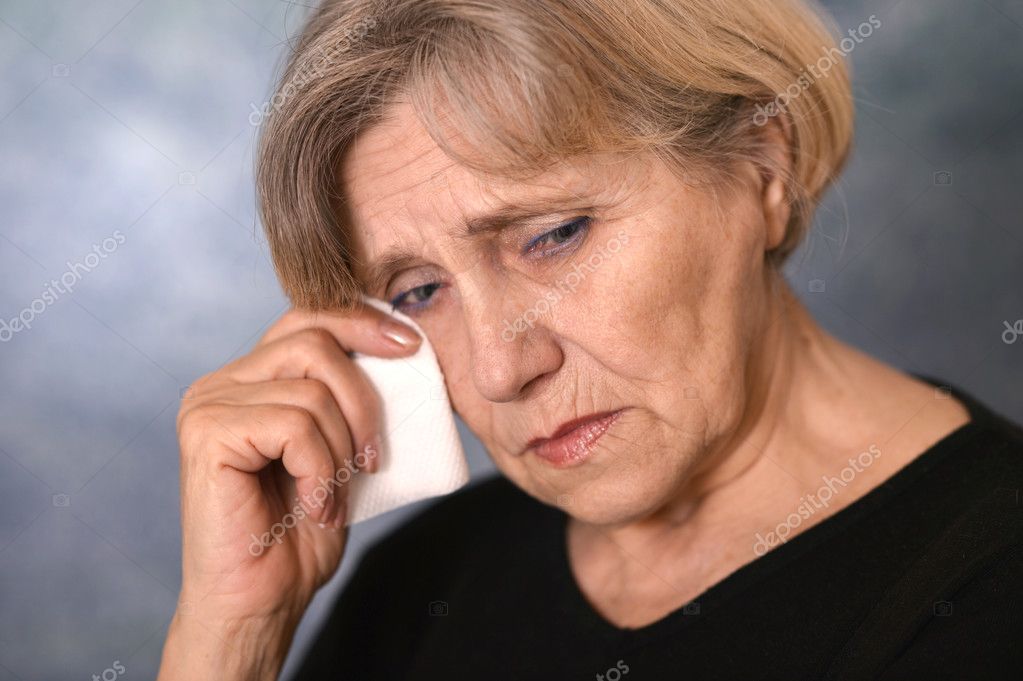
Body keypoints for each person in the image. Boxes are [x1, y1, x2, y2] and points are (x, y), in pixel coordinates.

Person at [157, 0, 1023, 678]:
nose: (499, 367)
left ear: (763, 166)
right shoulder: (426, 578)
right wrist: (231, 636)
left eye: (554, 234)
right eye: (419, 291)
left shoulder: (986, 594)